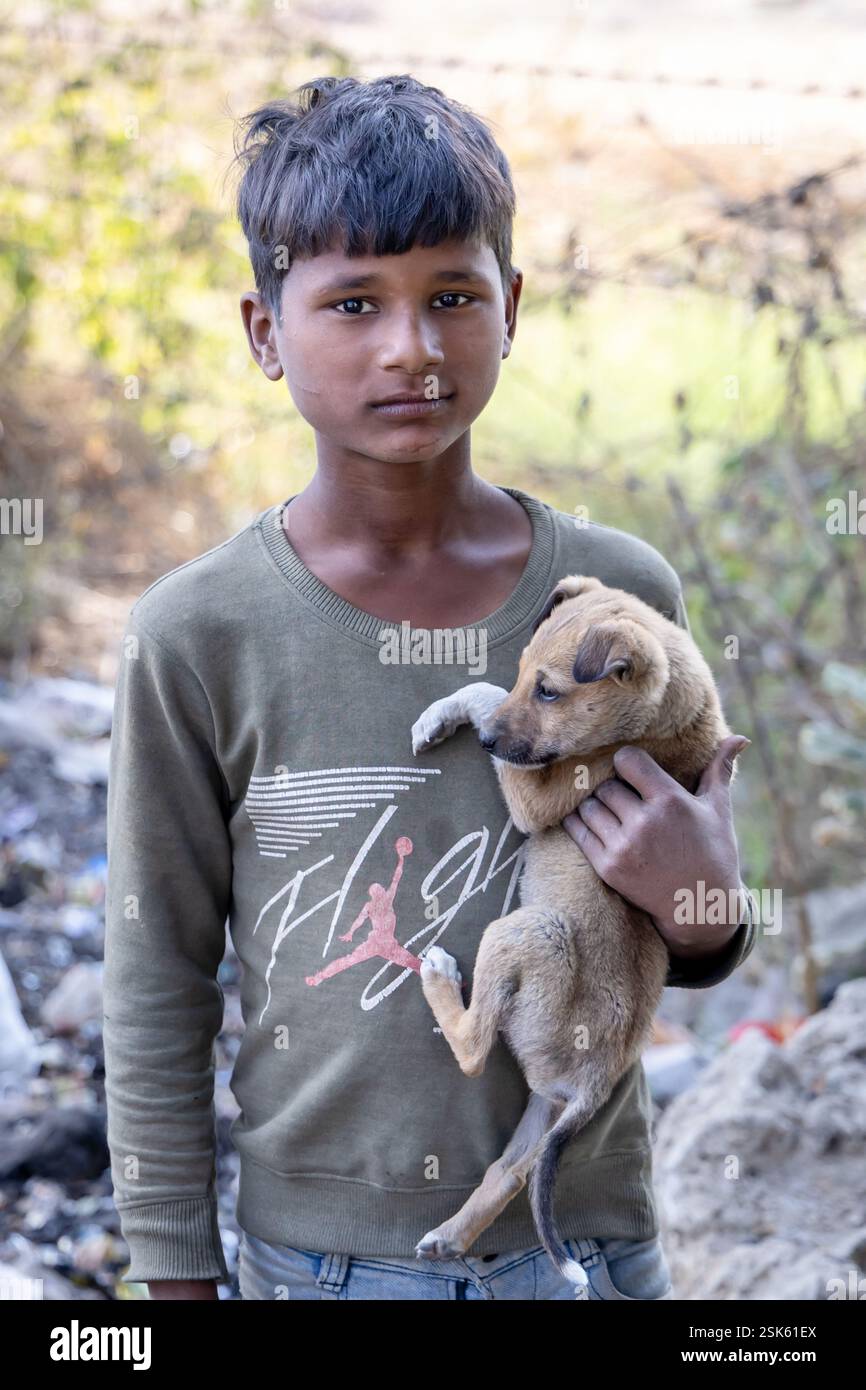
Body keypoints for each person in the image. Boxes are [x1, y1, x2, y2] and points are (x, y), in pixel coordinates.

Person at [102, 74, 756, 1302]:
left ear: (508, 310)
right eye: (353, 302)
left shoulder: (615, 601)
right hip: (317, 1262)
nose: (410, 346)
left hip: (584, 1244)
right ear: (263, 331)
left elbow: (699, 911)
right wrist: (174, 1277)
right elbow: (156, 975)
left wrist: (706, 908)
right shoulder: (196, 634)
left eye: (451, 296)